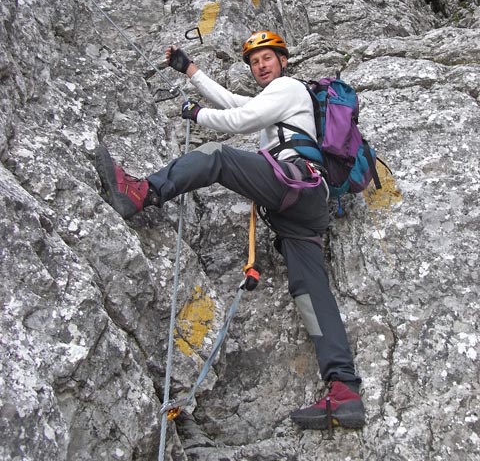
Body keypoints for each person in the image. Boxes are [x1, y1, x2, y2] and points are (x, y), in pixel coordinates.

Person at [94, 30, 365, 430]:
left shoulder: (289, 88)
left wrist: (196, 115)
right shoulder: (278, 101)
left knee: (217, 156)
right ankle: (344, 393)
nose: (261, 65)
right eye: (255, 62)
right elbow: (237, 103)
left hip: (294, 182)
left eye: (268, 58)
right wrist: (191, 71)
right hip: (305, 206)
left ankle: (141, 192)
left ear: (284, 61)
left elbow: (239, 120)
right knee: (311, 292)